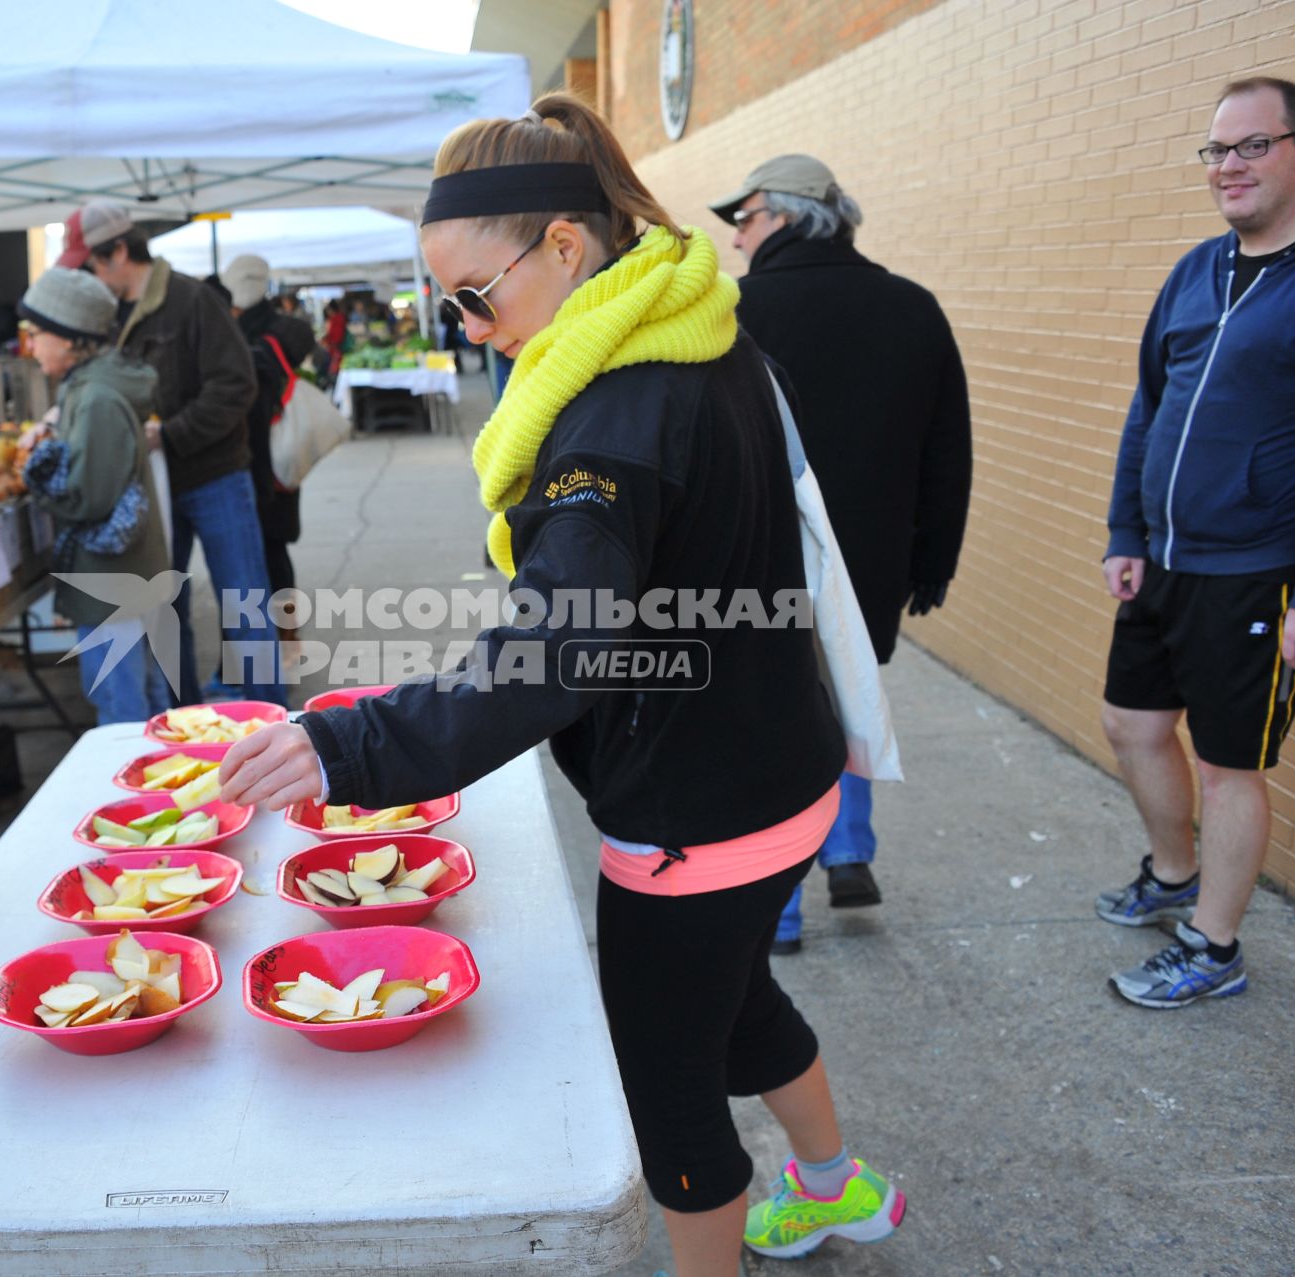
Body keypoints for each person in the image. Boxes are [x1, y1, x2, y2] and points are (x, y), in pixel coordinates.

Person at [217, 94, 903, 1273]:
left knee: (671, 1095)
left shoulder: (608, 422)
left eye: (476, 294)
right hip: (781, 766)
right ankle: (840, 1187)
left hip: (698, 810)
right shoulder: (697, 320)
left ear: (568, 248)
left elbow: (552, 656)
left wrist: (349, 748)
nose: (468, 324)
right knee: (739, 1000)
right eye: (449, 301)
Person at [1099, 77, 1295, 1009]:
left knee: (1229, 767)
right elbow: (1150, 406)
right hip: (1166, 561)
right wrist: (1126, 530)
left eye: (1252, 147)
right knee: (1132, 725)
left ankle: (1212, 945)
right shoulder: (1197, 270)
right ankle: (1177, 872)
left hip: (1259, 573)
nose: (1230, 168)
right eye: (1217, 151)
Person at [710, 155, 973, 954]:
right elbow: (947, 451)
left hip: (763, 559)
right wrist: (934, 559)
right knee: (847, 685)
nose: (736, 239)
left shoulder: (737, 313)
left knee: (781, 717)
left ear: (785, 215)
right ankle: (850, 848)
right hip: (875, 555)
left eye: (744, 219)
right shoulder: (912, 308)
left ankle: (782, 909)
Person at [69, 199, 283, 706]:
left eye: (94, 264)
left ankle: (274, 716)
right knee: (166, 608)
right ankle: (184, 722)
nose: (92, 277)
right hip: (154, 484)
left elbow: (236, 385)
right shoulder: (108, 315)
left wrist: (171, 433)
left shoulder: (191, 300)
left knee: (244, 601)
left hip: (215, 477)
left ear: (119, 251)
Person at [15, 267, 172, 723]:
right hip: (125, 575)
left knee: (124, 710)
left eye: (37, 333)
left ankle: (142, 790)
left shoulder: (98, 397)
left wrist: (40, 478)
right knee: (144, 696)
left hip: (112, 579)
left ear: (68, 337)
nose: (32, 344)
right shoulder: (94, 386)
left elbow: (90, 497)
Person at [220, 255, 318, 632]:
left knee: (252, 557)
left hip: (250, 457)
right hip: (279, 454)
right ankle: (286, 636)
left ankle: (272, 640)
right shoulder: (287, 330)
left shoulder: (236, 335)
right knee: (274, 551)